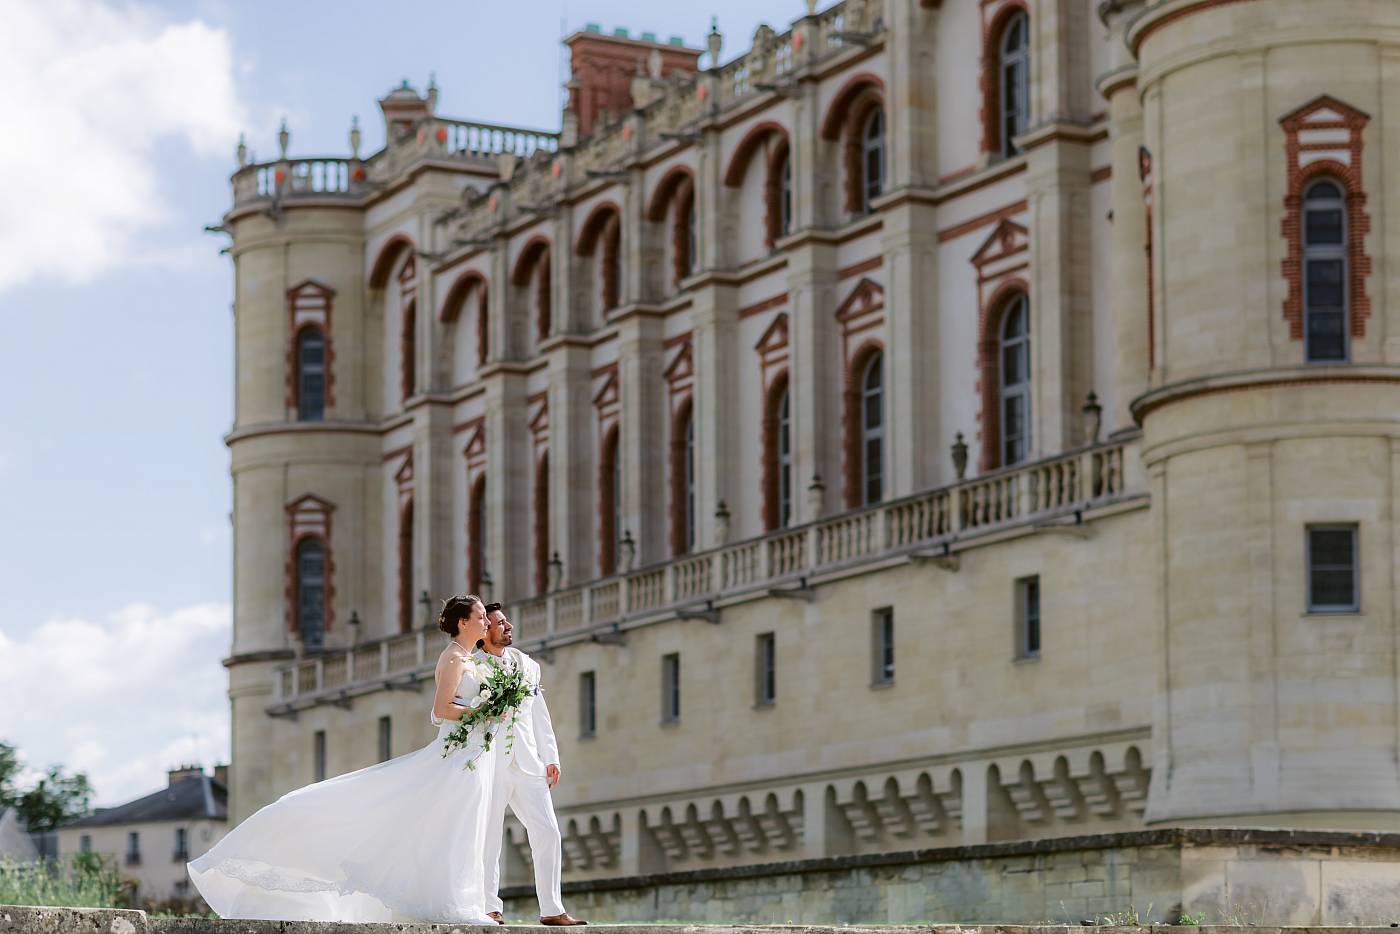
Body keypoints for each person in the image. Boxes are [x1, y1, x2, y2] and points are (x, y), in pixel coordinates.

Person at [188, 595, 502, 923]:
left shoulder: (472, 659)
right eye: (481, 617)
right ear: (463, 622)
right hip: (455, 756)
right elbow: (440, 711)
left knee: (463, 825)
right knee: (453, 825)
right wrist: (482, 710)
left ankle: (461, 901)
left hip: (473, 754)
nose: (487, 623)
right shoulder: (453, 658)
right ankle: (455, 905)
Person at [475, 603, 585, 926]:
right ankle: (489, 907)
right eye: (499, 623)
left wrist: (550, 757)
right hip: (491, 762)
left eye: (506, 621)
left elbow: (539, 712)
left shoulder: (526, 664)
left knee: (548, 832)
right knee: (489, 837)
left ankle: (552, 909)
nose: (507, 626)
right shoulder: (472, 665)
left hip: (528, 763)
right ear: (484, 633)